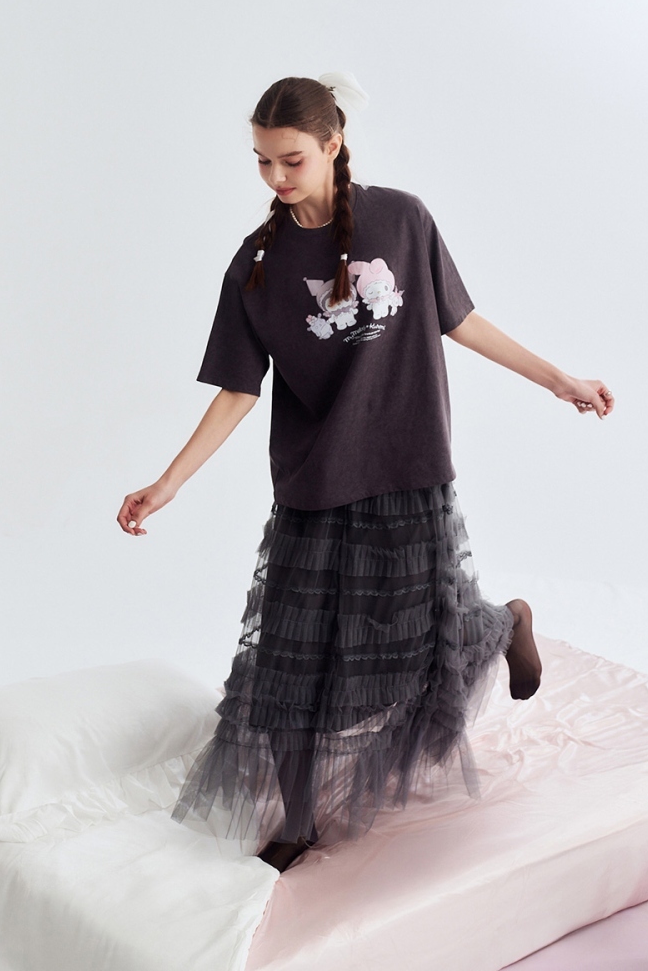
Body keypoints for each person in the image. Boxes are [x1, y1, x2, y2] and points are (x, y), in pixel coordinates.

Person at [116, 72, 614, 873]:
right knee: (290, 665)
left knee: (413, 641)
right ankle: (298, 818)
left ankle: (504, 623)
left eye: (292, 160)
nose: (276, 178)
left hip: (407, 465)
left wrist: (560, 380)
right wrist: (169, 482)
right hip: (313, 481)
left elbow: (460, 320)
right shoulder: (256, 265)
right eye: (262, 162)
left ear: (333, 144)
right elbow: (238, 389)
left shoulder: (403, 219)